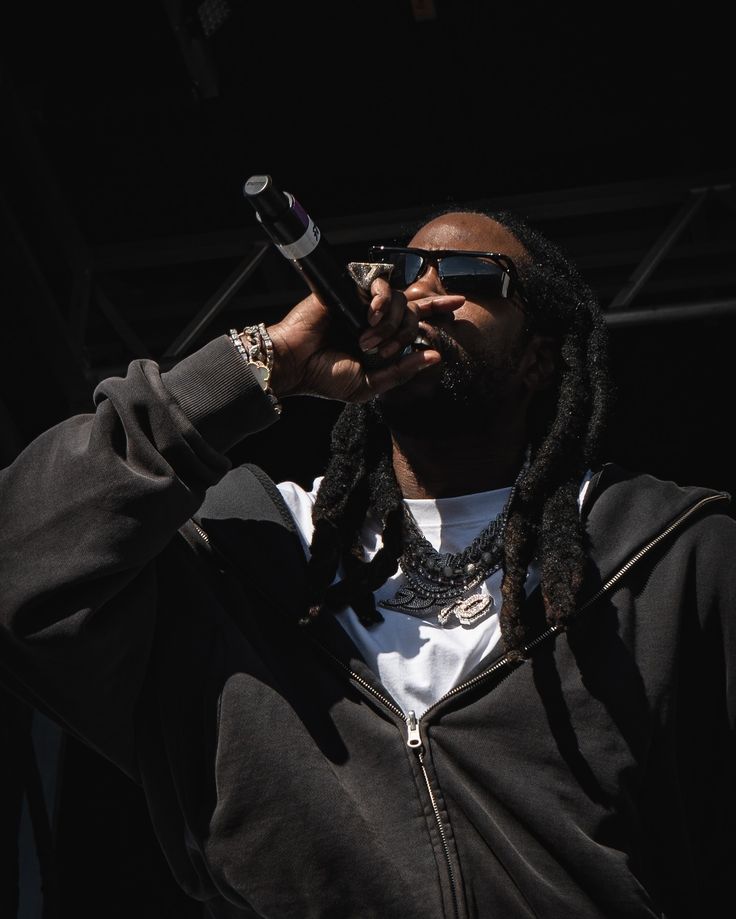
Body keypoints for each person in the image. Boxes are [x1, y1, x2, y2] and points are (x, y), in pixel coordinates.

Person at [1, 205, 734, 919]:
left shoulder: (668, 555)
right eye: (406, 270)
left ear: (539, 356)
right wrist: (263, 363)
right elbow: (21, 558)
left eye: (474, 276)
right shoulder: (247, 548)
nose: (422, 292)